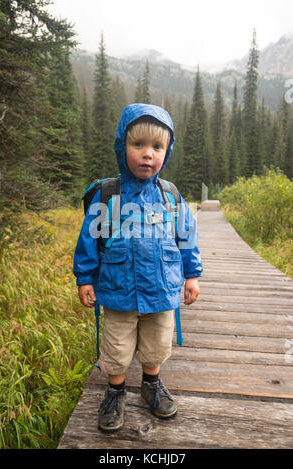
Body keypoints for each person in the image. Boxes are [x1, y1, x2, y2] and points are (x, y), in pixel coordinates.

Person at [73, 103, 203, 432]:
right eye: (138, 145)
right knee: (116, 347)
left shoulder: (171, 197)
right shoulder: (108, 196)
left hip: (162, 290)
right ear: (122, 146)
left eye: (157, 147)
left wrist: (192, 275)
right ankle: (115, 391)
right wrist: (85, 278)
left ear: (167, 151)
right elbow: (89, 240)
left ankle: (151, 383)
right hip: (117, 290)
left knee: (157, 343)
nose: (148, 154)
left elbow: (187, 237)